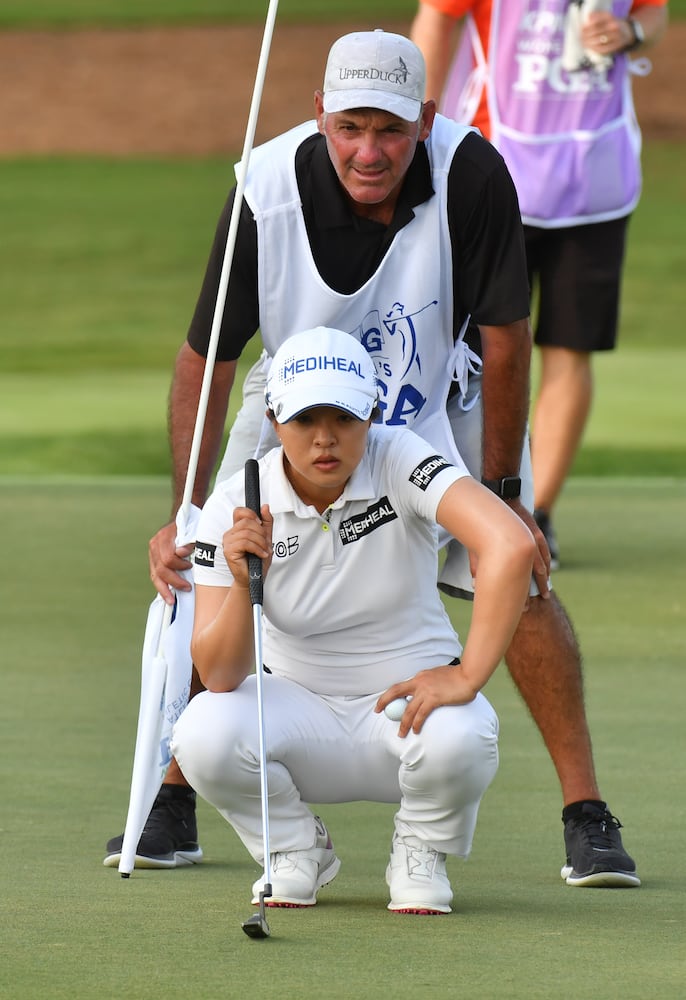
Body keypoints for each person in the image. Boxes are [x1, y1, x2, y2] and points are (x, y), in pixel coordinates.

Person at [105, 29, 640, 888]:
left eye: (390, 130)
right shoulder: (265, 189)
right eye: (350, 126)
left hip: (433, 392)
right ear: (320, 115)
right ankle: (175, 795)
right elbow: (207, 356)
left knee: (523, 571)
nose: (369, 150)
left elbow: (506, 341)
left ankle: (585, 812)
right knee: (204, 558)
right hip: (293, 398)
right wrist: (185, 509)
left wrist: (503, 494)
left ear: (424, 120)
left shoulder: (471, 175)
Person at [170, 326, 536, 913]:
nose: (324, 440)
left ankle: (420, 847)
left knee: (465, 732)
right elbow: (217, 674)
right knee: (202, 732)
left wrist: (467, 674)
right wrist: (242, 586)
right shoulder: (236, 502)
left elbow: (510, 545)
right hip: (295, 711)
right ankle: (292, 849)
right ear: (272, 417)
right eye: (304, 420)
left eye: (343, 418)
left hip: (405, 711)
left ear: (372, 413)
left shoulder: (401, 458)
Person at [411, 0, 669, 567]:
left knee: (570, 349)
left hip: (595, 180)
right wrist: (413, 126)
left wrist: (627, 32)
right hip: (496, 169)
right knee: (464, 352)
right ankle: (450, 504)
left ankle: (536, 514)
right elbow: (436, 19)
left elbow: (654, 15)